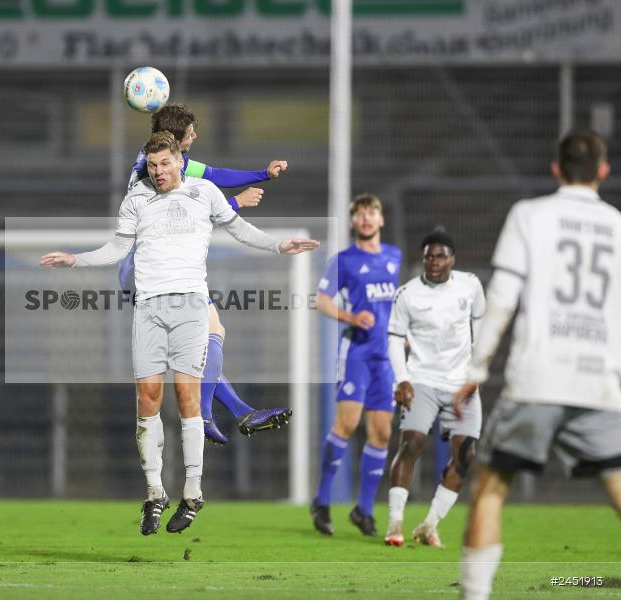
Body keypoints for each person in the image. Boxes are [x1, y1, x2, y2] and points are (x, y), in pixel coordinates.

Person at [42, 132, 318, 535]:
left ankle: (192, 494)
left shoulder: (204, 192)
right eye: (152, 166)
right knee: (147, 399)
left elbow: (240, 229)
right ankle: (155, 494)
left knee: (188, 398)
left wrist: (279, 247)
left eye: (165, 164)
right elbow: (117, 248)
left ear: (179, 162)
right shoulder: (137, 198)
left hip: (190, 307)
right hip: (148, 309)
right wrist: (76, 260)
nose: (158, 172)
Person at [454, 129, 621, 600]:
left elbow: (503, 298)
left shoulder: (529, 215)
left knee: (490, 488)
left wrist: (476, 370)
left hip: (538, 380)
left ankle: (475, 595)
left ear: (556, 169)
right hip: (599, 384)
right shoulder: (617, 225)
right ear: (603, 171)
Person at [121, 103, 293, 446]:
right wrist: (237, 203)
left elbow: (214, 174)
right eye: (191, 133)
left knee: (204, 342)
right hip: (151, 271)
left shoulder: (160, 160)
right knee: (210, 333)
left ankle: (241, 412)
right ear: (176, 137)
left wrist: (263, 174)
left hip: (146, 269)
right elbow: (186, 218)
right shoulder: (158, 171)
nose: (195, 136)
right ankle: (203, 416)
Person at [384, 231, 485, 548]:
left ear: (452, 259)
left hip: (461, 386)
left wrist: (477, 371)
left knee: (466, 456)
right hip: (422, 380)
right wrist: (402, 379)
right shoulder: (407, 294)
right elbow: (394, 339)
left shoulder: (471, 285)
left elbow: (480, 327)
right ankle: (395, 523)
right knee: (411, 443)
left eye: (441, 256)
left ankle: (429, 525)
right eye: (429, 256)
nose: (434, 262)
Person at [311, 193, 402, 536]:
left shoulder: (394, 257)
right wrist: (351, 317)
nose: (366, 219)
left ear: (381, 219)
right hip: (357, 354)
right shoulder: (344, 261)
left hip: (386, 358)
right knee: (347, 424)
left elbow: (398, 303)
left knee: (382, 432)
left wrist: (403, 334)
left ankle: (363, 510)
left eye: (371, 213)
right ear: (353, 222)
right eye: (360, 214)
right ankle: (321, 500)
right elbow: (321, 300)